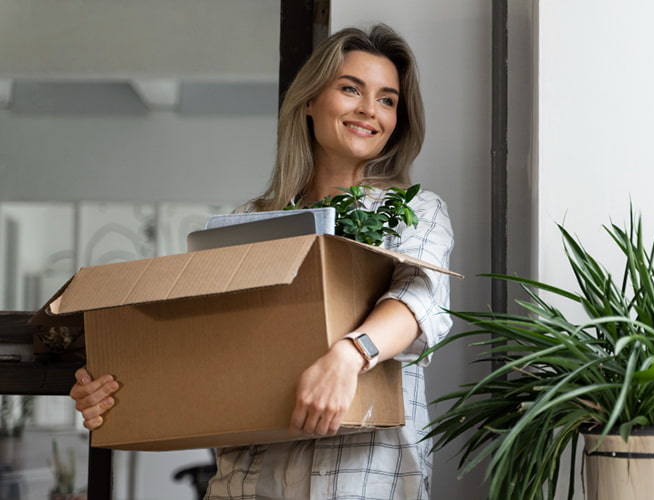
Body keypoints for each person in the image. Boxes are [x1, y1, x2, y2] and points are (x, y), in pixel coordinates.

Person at [69, 24, 453, 500]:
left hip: (360, 479)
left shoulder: (415, 212)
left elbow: (419, 300)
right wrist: (116, 393)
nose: (368, 110)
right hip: (245, 485)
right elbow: (208, 348)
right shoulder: (249, 222)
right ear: (311, 100)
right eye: (351, 88)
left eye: (387, 99)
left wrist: (347, 356)